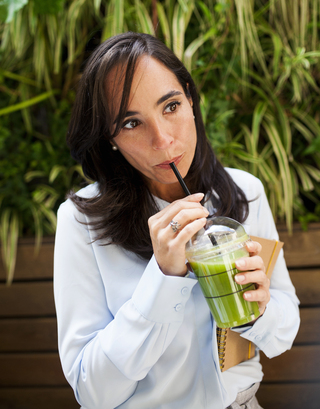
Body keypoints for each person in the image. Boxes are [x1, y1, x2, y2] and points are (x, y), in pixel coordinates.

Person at [53, 32, 300, 409]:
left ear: (190, 97)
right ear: (110, 138)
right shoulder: (80, 222)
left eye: (170, 106)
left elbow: (283, 334)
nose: (164, 141)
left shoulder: (244, 193)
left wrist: (261, 309)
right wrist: (163, 278)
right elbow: (91, 392)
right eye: (132, 123)